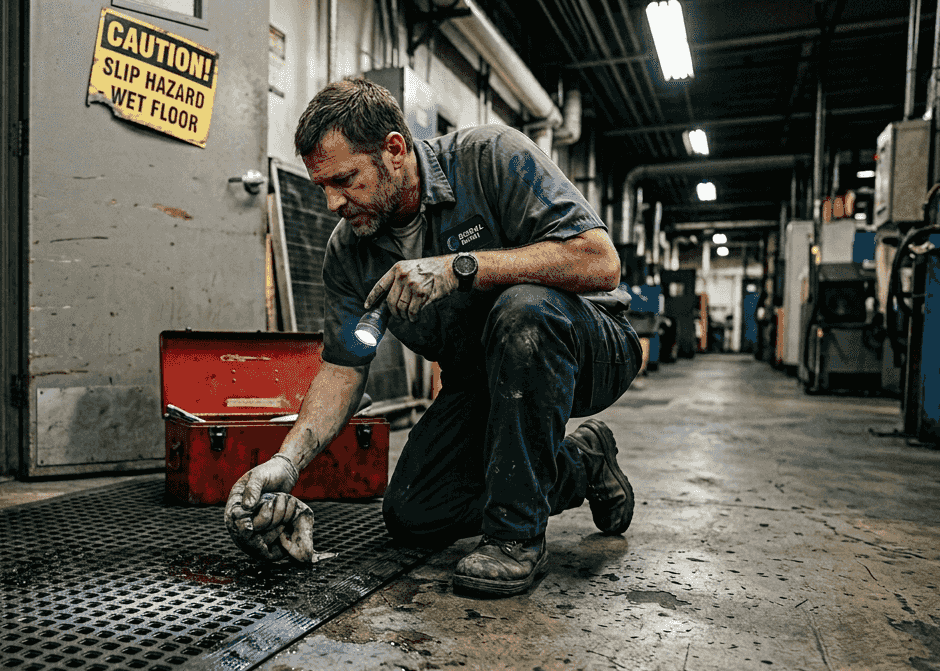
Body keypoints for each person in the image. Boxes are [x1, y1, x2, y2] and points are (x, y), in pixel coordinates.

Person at [225, 78, 642, 597]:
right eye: (321, 187)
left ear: (394, 151)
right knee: (415, 513)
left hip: (589, 347)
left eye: (345, 179)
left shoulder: (491, 157)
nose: (332, 202)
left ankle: (514, 538)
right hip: (483, 378)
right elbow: (344, 367)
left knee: (523, 309)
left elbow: (599, 262)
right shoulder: (349, 252)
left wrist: (460, 268)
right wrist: (286, 464)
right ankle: (584, 462)